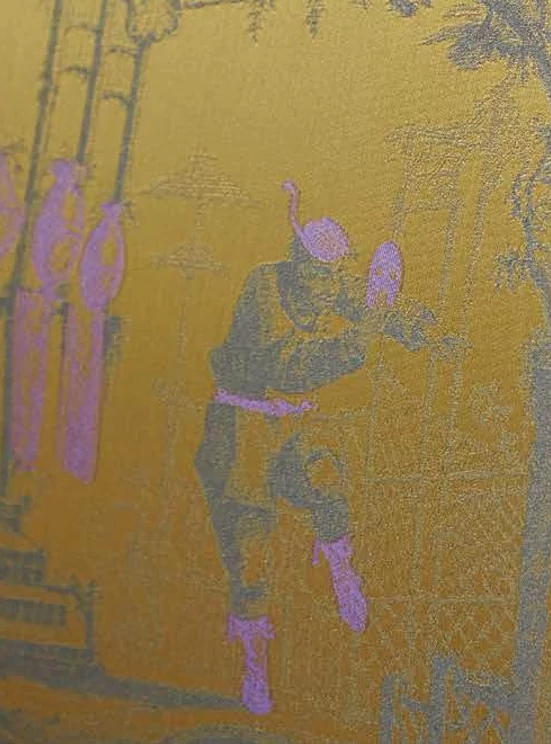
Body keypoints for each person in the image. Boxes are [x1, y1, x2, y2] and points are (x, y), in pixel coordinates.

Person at [193, 181, 446, 717]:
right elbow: (289, 364)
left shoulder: (326, 283)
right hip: (241, 432)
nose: (328, 290)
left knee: (328, 481)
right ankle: (255, 665)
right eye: (318, 277)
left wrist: (407, 321)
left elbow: (362, 299)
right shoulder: (263, 289)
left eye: (334, 277)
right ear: (296, 263)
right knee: (250, 555)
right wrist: (357, 341)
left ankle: (341, 570)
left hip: (290, 428)